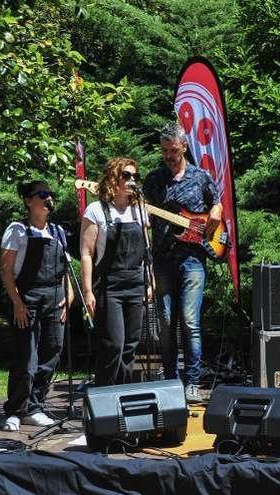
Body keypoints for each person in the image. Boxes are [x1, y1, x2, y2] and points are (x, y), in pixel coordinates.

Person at [143, 122, 222, 403]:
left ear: (184, 147)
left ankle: (192, 381)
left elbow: (217, 204)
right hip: (162, 259)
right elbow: (144, 217)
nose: (168, 156)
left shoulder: (201, 177)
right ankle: (169, 380)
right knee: (165, 321)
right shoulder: (153, 180)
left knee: (190, 321)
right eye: (164, 151)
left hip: (193, 258)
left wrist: (214, 213)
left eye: (173, 150)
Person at [0, 181, 72, 431]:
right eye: (42, 194)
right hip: (27, 297)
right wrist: (17, 302)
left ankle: (35, 405)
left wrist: (69, 297)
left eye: (50, 194)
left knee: (52, 352)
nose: (48, 198)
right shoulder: (17, 229)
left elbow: (66, 269)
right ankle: (16, 409)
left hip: (54, 297)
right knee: (26, 356)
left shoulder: (58, 231)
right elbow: (7, 270)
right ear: (29, 201)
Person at [80, 157, 151, 386]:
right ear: (113, 178)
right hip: (110, 286)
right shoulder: (96, 210)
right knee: (114, 344)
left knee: (131, 345)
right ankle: (104, 394)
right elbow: (86, 253)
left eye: (135, 176)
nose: (132, 181)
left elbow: (147, 250)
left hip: (135, 282)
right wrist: (88, 290)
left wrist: (149, 282)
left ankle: (123, 392)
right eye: (126, 176)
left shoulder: (140, 210)